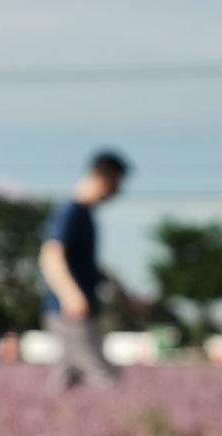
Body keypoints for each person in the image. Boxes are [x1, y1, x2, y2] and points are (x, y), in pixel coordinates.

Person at [39, 150, 130, 390]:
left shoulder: (85, 216)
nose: (118, 192)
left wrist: (122, 290)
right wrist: (71, 294)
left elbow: (89, 266)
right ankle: (122, 423)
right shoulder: (71, 212)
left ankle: (49, 420)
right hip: (71, 312)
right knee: (104, 376)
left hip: (76, 310)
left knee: (66, 377)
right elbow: (50, 256)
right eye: (117, 184)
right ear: (104, 178)